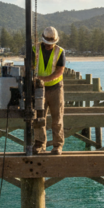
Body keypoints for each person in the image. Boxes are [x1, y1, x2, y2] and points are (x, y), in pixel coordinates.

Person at [33, 26, 66, 155]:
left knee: (57, 118)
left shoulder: (60, 51)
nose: (48, 45)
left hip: (56, 88)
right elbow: (29, 66)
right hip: (39, 88)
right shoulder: (34, 49)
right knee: (39, 118)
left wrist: (43, 79)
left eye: (51, 43)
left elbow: (59, 71)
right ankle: (39, 144)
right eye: (47, 43)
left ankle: (57, 145)